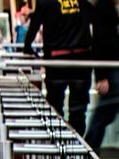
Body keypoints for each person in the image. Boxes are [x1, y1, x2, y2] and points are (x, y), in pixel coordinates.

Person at [27, 0, 97, 132]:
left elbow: (34, 25)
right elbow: (97, 20)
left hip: (56, 61)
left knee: (54, 109)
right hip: (81, 60)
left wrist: (27, 48)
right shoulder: (82, 2)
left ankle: (59, 146)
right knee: (78, 112)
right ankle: (77, 146)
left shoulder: (46, 3)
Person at [84, 0, 119, 149]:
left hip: (113, 69)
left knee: (106, 114)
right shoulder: (103, 8)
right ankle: (87, 152)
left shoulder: (107, 7)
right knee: (104, 115)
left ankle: (88, 152)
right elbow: (99, 42)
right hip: (110, 70)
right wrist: (101, 75)